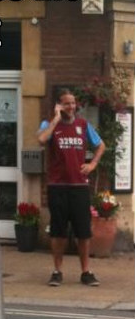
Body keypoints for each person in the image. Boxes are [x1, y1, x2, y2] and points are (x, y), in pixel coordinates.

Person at [38, 88, 106, 286]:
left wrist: (92, 164)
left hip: (79, 187)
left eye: (73, 103)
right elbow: (42, 139)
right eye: (66, 103)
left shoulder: (83, 125)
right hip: (57, 186)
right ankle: (57, 271)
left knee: (83, 232)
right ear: (58, 105)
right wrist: (55, 119)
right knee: (58, 232)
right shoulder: (49, 124)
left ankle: (86, 272)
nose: (71, 107)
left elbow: (100, 145)